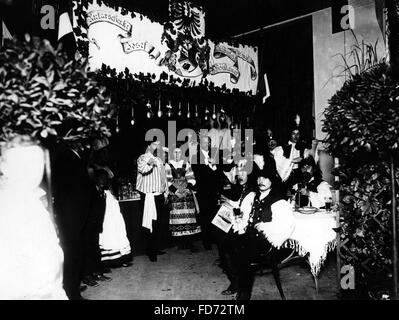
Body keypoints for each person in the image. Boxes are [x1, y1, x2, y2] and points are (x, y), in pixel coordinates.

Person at [0, 135, 67, 299]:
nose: (32, 172)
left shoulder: (30, 198)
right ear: (4, 166)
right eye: (23, 164)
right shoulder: (8, 208)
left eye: (37, 163)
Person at [235, 169, 295, 300]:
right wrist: (241, 222)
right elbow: (245, 216)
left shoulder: (278, 201)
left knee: (243, 255)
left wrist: (265, 226)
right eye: (259, 178)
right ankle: (239, 286)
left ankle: (243, 296)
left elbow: (287, 225)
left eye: (265, 178)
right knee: (227, 242)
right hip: (251, 237)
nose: (261, 181)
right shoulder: (253, 196)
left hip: (266, 242)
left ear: (272, 181)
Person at [51, 139, 94, 300]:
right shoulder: (66, 159)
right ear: (74, 144)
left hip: (75, 215)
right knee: (71, 253)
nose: (85, 145)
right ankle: (72, 291)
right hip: (71, 215)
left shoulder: (72, 158)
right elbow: (69, 189)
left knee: (75, 252)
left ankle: (73, 285)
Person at [136, 139, 168, 262]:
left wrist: (165, 193)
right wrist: (150, 162)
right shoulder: (143, 158)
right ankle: (151, 251)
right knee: (150, 224)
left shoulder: (159, 159)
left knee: (158, 224)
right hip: (149, 197)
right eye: (155, 144)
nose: (158, 147)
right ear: (148, 146)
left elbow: (163, 177)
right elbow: (143, 169)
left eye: (159, 145)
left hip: (159, 195)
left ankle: (154, 248)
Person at [165, 147, 201, 252]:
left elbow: (191, 178)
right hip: (175, 193)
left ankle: (190, 243)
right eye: (175, 152)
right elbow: (167, 180)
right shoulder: (168, 165)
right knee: (178, 218)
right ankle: (180, 243)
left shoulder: (186, 164)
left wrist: (187, 189)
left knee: (189, 217)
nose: (177, 154)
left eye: (179, 152)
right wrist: (176, 191)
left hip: (186, 193)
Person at [81, 169, 111, 287]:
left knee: (95, 250)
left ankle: (97, 272)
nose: (103, 181)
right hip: (87, 226)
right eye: (101, 178)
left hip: (95, 226)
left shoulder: (102, 192)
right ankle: (87, 276)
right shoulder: (90, 191)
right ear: (96, 179)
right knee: (87, 251)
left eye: (105, 179)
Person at [97, 169, 132, 268]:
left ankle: (121, 258)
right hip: (106, 218)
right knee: (108, 236)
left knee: (118, 233)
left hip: (114, 216)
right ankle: (107, 261)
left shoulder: (109, 191)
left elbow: (111, 175)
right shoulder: (99, 192)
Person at [191, 135, 219, 250]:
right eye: (203, 143)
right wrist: (211, 166)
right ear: (199, 143)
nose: (206, 145)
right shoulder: (195, 157)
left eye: (208, 143)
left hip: (214, 191)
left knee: (214, 215)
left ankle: (214, 239)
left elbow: (219, 173)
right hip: (203, 191)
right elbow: (199, 174)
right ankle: (206, 242)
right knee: (204, 217)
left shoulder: (215, 154)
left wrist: (215, 166)